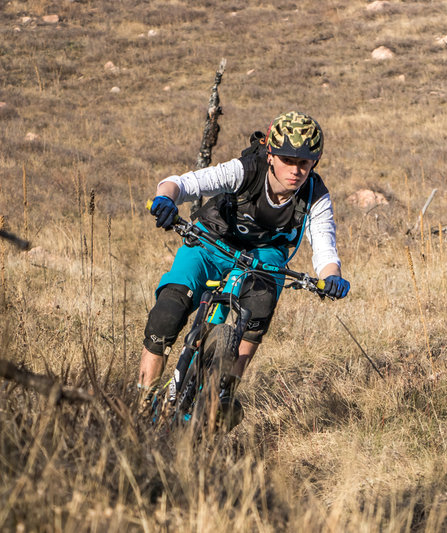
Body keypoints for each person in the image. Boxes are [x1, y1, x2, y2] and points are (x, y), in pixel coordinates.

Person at [136, 111, 349, 413]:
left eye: (304, 163)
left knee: (260, 306)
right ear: (271, 155)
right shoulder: (246, 170)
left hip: (265, 255)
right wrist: (166, 200)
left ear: (314, 162)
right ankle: (144, 402)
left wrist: (332, 277)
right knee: (167, 313)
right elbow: (184, 183)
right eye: (288, 160)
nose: (296, 171)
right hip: (212, 240)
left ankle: (225, 391)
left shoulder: (316, 195)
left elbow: (325, 246)